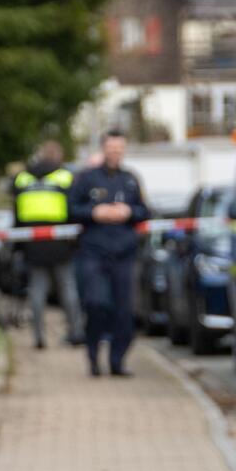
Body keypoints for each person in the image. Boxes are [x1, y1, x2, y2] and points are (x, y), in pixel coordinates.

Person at [69, 131, 147, 377]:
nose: (115, 153)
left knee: (124, 312)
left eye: (119, 149)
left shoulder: (130, 179)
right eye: (111, 148)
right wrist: (95, 212)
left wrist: (129, 212)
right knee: (96, 305)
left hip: (124, 254)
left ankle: (117, 361)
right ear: (104, 149)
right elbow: (70, 209)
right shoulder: (87, 178)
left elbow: (145, 211)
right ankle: (93, 356)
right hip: (94, 253)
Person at [11, 140, 82, 348]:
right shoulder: (65, 176)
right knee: (68, 288)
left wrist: (18, 243)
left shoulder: (22, 178)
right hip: (61, 240)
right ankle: (76, 331)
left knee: (37, 290)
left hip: (32, 241)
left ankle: (39, 336)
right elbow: (74, 210)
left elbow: (16, 213)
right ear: (59, 156)